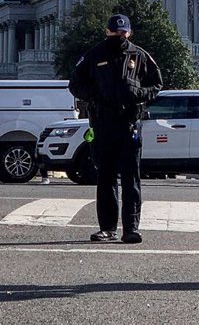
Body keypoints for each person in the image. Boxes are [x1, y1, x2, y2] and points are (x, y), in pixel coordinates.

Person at [68, 13, 162, 244]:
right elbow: (75, 84)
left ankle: (131, 228)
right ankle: (107, 228)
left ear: (129, 33)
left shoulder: (139, 55)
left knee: (131, 178)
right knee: (106, 177)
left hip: (129, 123)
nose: (118, 36)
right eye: (114, 32)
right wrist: (95, 96)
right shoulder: (94, 55)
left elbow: (156, 83)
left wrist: (138, 95)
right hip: (103, 123)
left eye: (122, 33)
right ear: (107, 31)